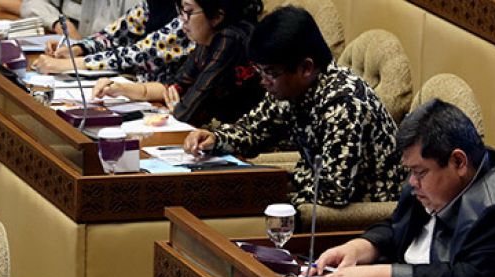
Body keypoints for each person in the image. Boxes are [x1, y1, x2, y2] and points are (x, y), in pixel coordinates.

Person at [315, 99, 495, 277]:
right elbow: (398, 226)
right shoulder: (431, 185)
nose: (412, 182)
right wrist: (361, 246)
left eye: (420, 172)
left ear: (458, 162)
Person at [183, 6, 404, 207]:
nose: (263, 81)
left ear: (305, 68)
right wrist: (215, 139)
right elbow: (252, 131)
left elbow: (333, 191)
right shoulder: (292, 89)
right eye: (260, 71)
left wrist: (273, 194)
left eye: (270, 73)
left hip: (364, 215)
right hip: (312, 196)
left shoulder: (344, 104)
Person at [92, 0, 263, 126]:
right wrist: (120, 89)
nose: (182, 20)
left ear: (217, 16)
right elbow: (173, 86)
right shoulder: (207, 40)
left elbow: (189, 111)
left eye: (188, 12)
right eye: (181, 11)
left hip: (244, 143)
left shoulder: (230, 40)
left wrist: (176, 108)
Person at [32, 0, 191, 81]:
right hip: (135, 89)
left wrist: (69, 64)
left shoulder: (191, 13)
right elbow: (114, 35)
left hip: (167, 100)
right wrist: (78, 49)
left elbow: (138, 54)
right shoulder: (156, 3)